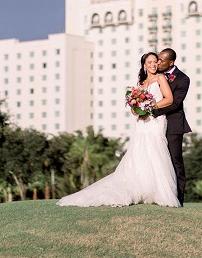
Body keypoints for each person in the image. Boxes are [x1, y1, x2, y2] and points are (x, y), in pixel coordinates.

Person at [57, 52, 180, 207]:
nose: (153, 65)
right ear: (144, 65)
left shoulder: (160, 78)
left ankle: (159, 192)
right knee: (139, 152)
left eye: (155, 62)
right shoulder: (140, 82)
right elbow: (134, 106)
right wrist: (136, 109)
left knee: (156, 152)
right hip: (141, 122)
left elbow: (169, 99)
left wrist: (150, 106)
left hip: (155, 121)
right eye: (150, 62)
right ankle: (140, 187)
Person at [151, 48, 191, 206]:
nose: (158, 62)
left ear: (171, 62)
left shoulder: (183, 79)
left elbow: (174, 103)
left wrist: (152, 109)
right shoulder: (153, 75)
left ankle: (179, 199)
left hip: (173, 125)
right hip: (153, 125)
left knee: (175, 161)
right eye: (158, 59)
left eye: (161, 60)